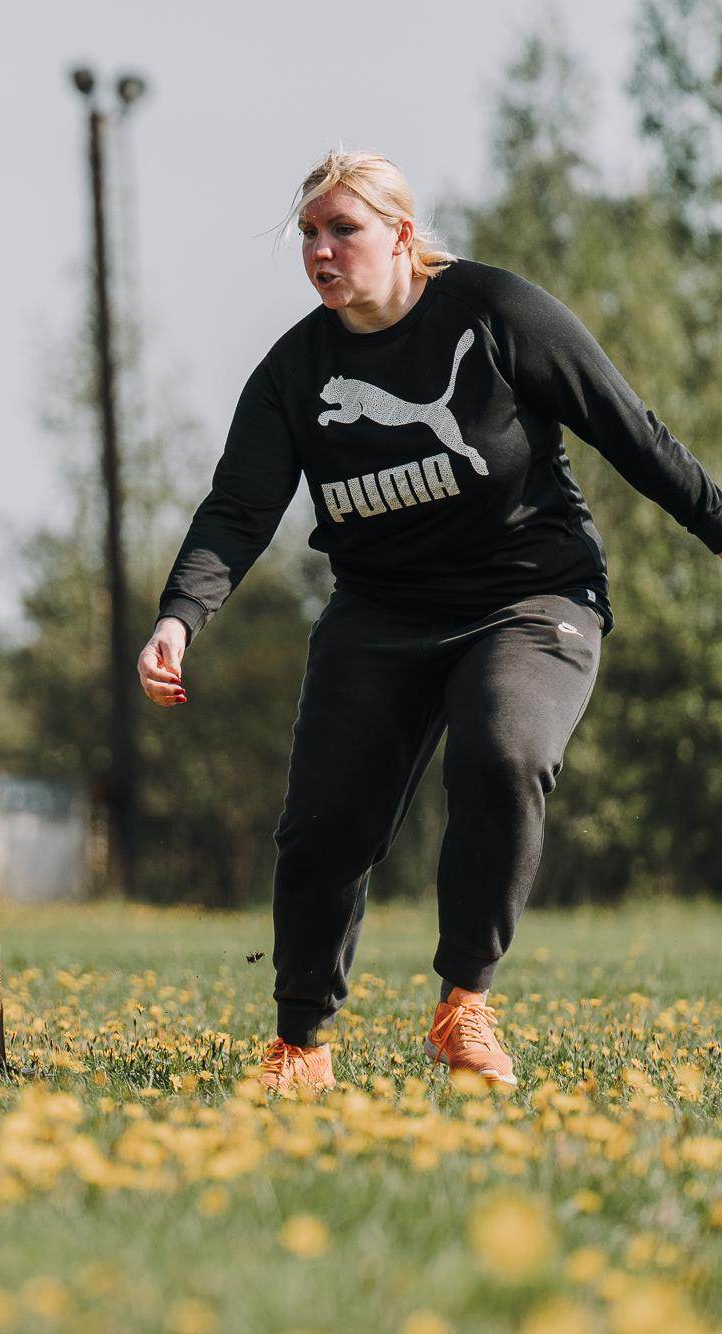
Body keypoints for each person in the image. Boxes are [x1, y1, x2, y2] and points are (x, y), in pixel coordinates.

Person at [138, 149, 722, 1093]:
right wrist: (179, 618)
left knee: (503, 754)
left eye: (345, 231)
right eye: (310, 236)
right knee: (325, 823)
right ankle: (300, 1047)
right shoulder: (296, 372)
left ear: (404, 236)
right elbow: (238, 510)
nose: (322, 253)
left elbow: (633, 433)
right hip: (382, 610)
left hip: (531, 597)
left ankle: (465, 1008)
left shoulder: (497, 313)